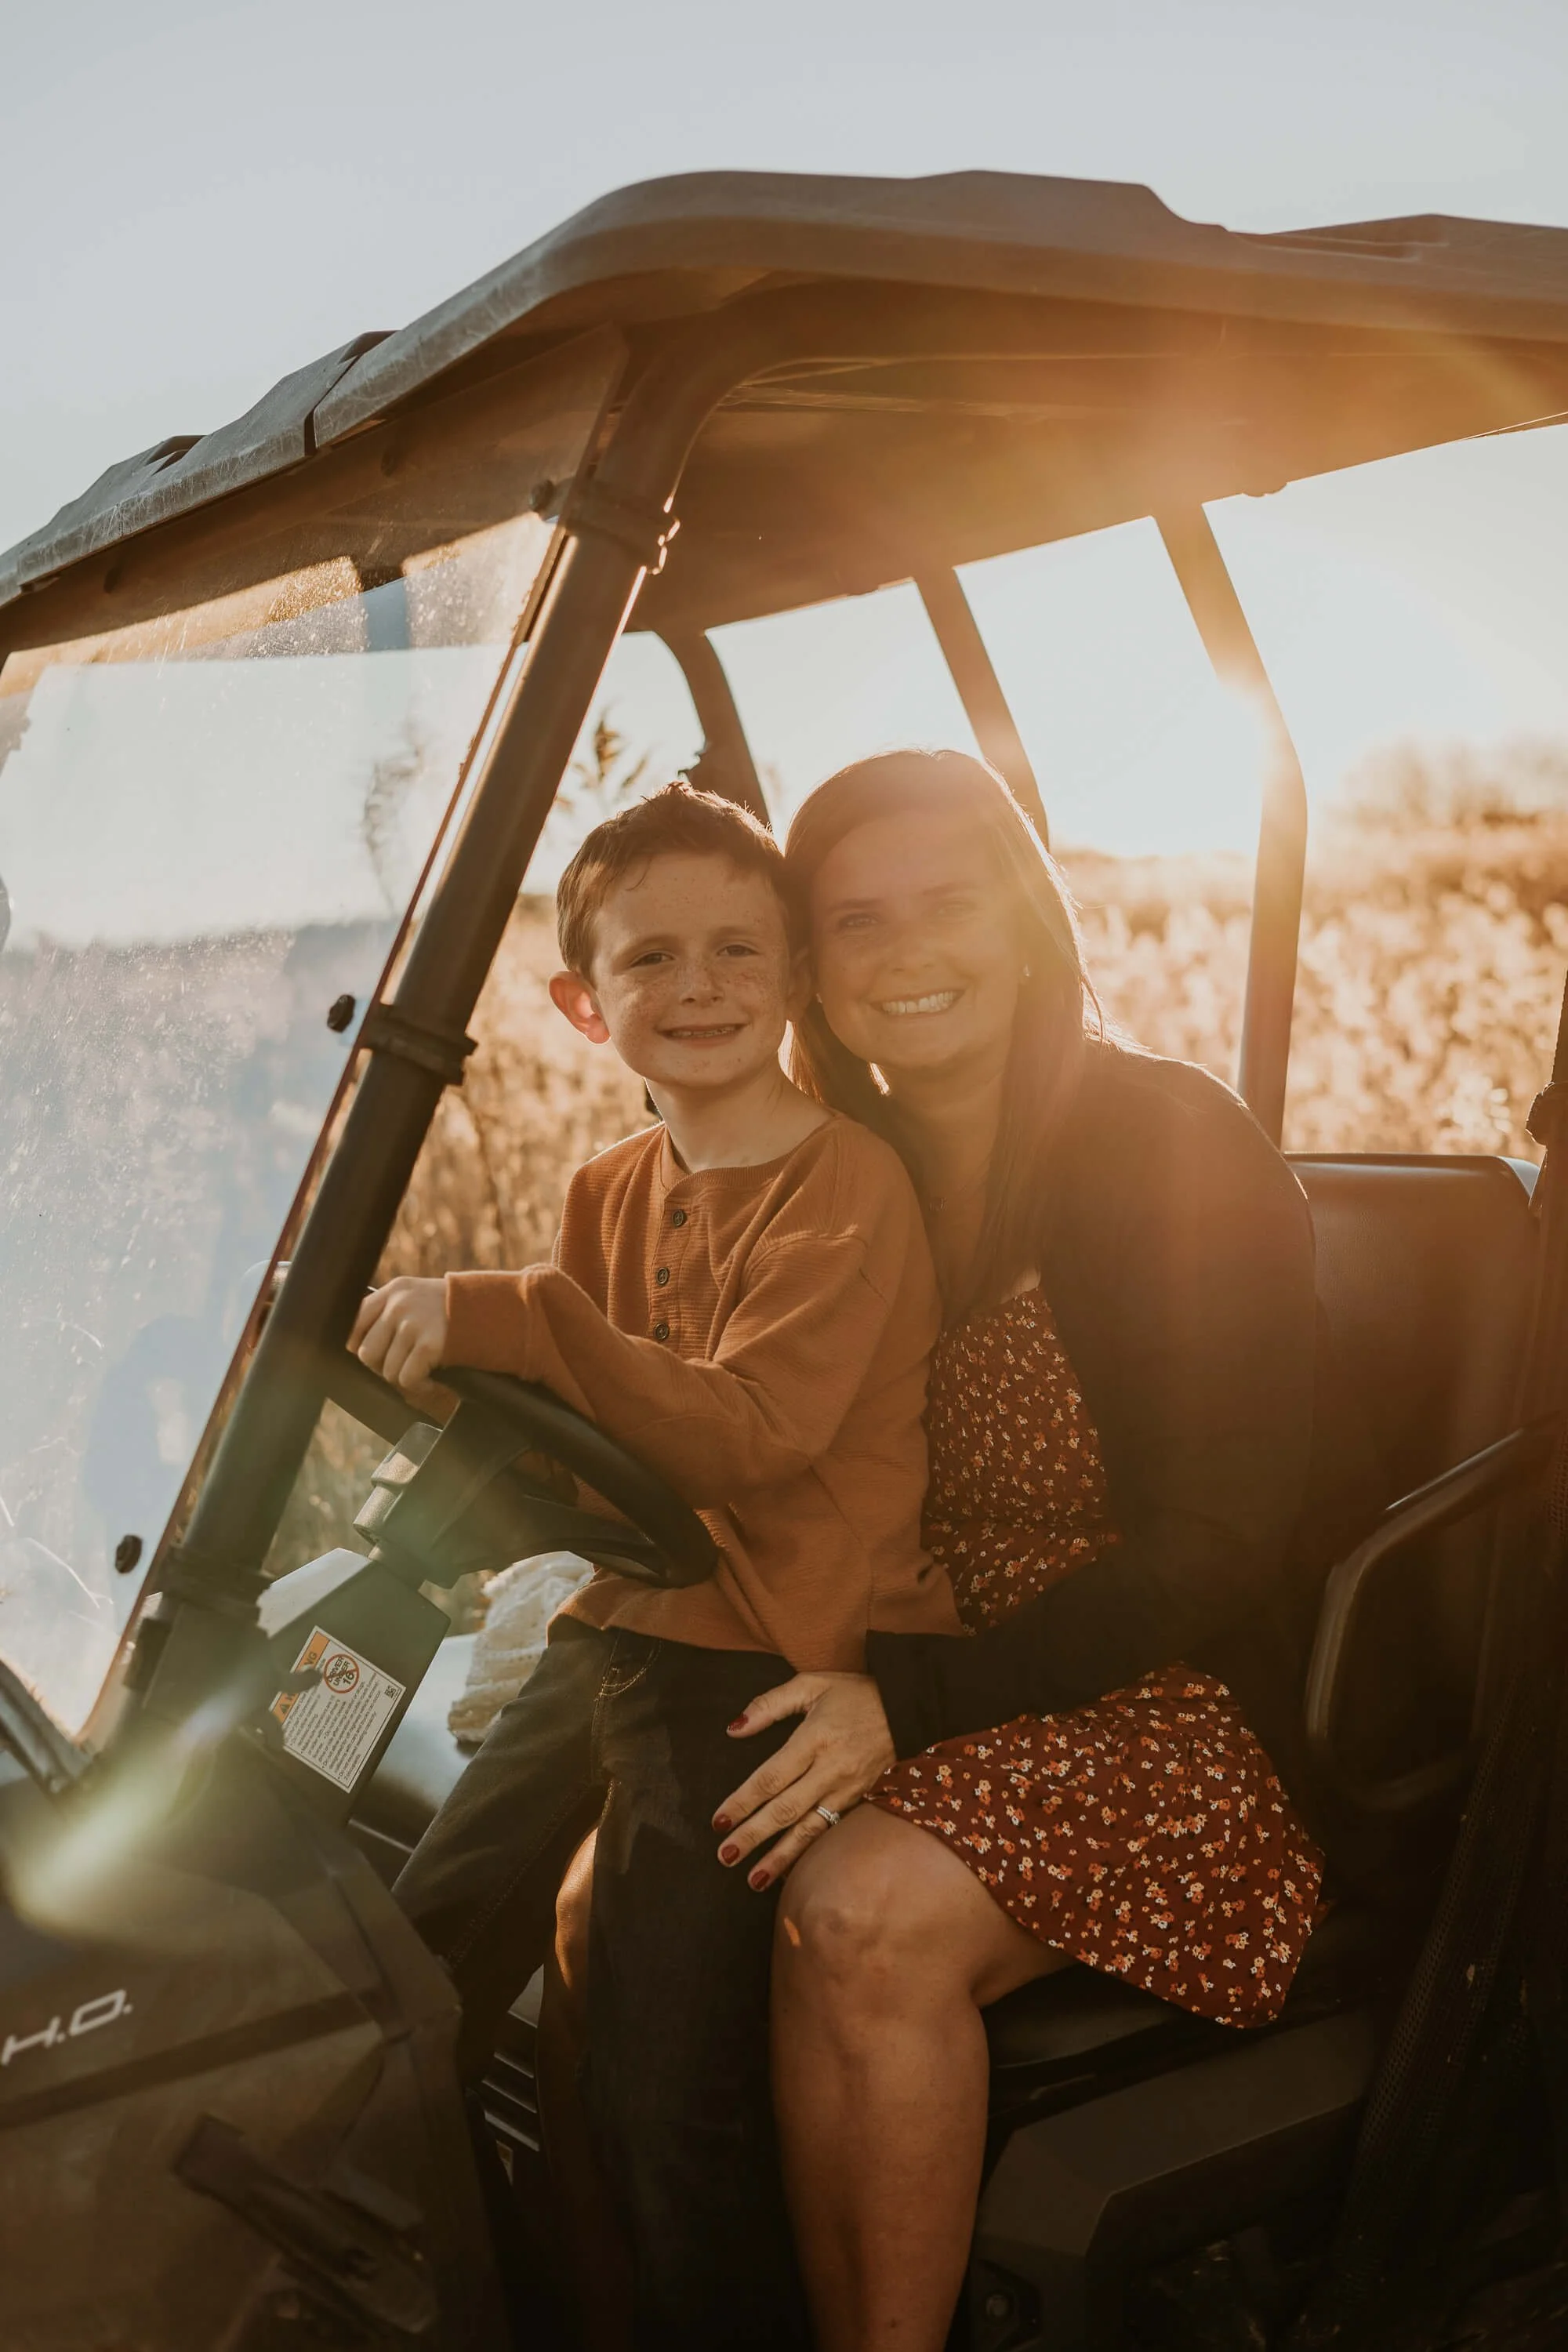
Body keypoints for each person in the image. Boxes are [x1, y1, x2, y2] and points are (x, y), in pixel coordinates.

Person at [702, 749, 1348, 2352]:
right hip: (933, 1667)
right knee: (636, 1862)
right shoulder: (845, 1177)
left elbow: (1222, 1539)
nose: (907, 953)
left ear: (1028, 920)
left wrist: (909, 1704)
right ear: (813, 967)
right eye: (858, 920)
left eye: (948, 902)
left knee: (858, 1909)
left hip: (1173, 1699)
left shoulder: (1163, 1145)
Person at [351, 779, 957, 2350]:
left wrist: (517, 1318)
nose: (698, 987)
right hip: (626, 1619)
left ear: (795, 976)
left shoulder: (846, 1187)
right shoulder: (605, 1193)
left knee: (655, 2076)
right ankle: (393, 2260)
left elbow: (747, 1434)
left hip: (765, 1662)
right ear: (583, 1001)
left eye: (737, 950)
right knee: (418, 1951)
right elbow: (591, 1451)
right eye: (650, 959)